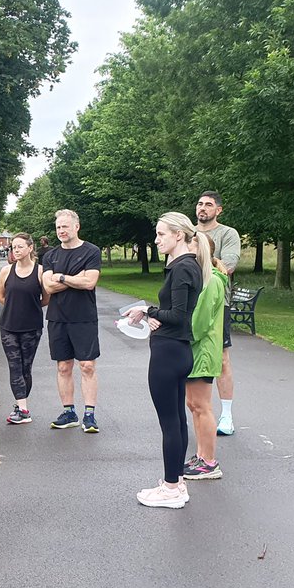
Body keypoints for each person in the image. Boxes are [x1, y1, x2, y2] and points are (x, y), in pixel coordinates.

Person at [126, 212, 209, 509]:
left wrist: (148, 311)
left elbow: (178, 316)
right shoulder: (184, 266)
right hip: (175, 350)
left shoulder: (183, 268)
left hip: (169, 353)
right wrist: (151, 315)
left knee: (170, 423)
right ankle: (176, 482)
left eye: (161, 234)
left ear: (178, 235)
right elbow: (174, 314)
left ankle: (171, 487)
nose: (157, 239)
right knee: (176, 420)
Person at [40, 209, 102, 432]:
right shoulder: (50, 256)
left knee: (87, 366)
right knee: (64, 366)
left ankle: (89, 414)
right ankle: (69, 412)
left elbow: (90, 283)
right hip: (58, 318)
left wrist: (63, 277)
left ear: (77, 227)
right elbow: (47, 286)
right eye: (58, 227)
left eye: (65, 226)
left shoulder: (91, 251)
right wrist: (78, 277)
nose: (61, 231)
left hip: (84, 317)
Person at [182, 232, 227, 481]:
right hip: (196, 349)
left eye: (191, 245)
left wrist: (182, 336)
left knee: (202, 406)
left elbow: (200, 321)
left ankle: (209, 461)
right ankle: (200, 455)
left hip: (203, 350)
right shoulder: (203, 278)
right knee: (193, 405)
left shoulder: (211, 281)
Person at [195, 191, 241, 436]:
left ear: (218, 210)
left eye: (209, 205)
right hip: (189, 302)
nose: (203, 208)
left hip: (216, 302)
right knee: (189, 357)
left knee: (221, 358)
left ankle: (226, 416)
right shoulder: (187, 232)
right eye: (200, 204)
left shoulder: (227, 234)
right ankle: (199, 411)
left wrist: (199, 256)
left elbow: (229, 265)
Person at [0, 233, 48, 425]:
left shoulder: (41, 271)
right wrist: (14, 307)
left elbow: (46, 298)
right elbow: (1, 297)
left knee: (26, 368)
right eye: (13, 247)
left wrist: (30, 307)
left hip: (32, 327)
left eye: (19, 247)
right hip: (8, 326)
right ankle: (24, 409)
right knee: (14, 366)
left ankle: (20, 406)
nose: (16, 251)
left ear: (30, 248)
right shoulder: (6, 271)